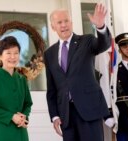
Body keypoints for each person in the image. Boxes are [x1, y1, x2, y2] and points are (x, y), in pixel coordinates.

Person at [44, 3, 112, 141]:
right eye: (59, 22)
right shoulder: (49, 53)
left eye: (66, 21)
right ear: (53, 27)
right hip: (66, 116)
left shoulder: (86, 41)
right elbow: (52, 88)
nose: (64, 25)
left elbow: (103, 44)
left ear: (71, 23)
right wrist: (55, 116)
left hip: (89, 111)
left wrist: (100, 27)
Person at [0, 36, 33, 141]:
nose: (13, 57)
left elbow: (28, 103)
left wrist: (24, 116)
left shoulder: (22, 79)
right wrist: (11, 116)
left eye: (16, 53)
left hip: (19, 132)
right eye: (8, 53)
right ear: (0, 56)